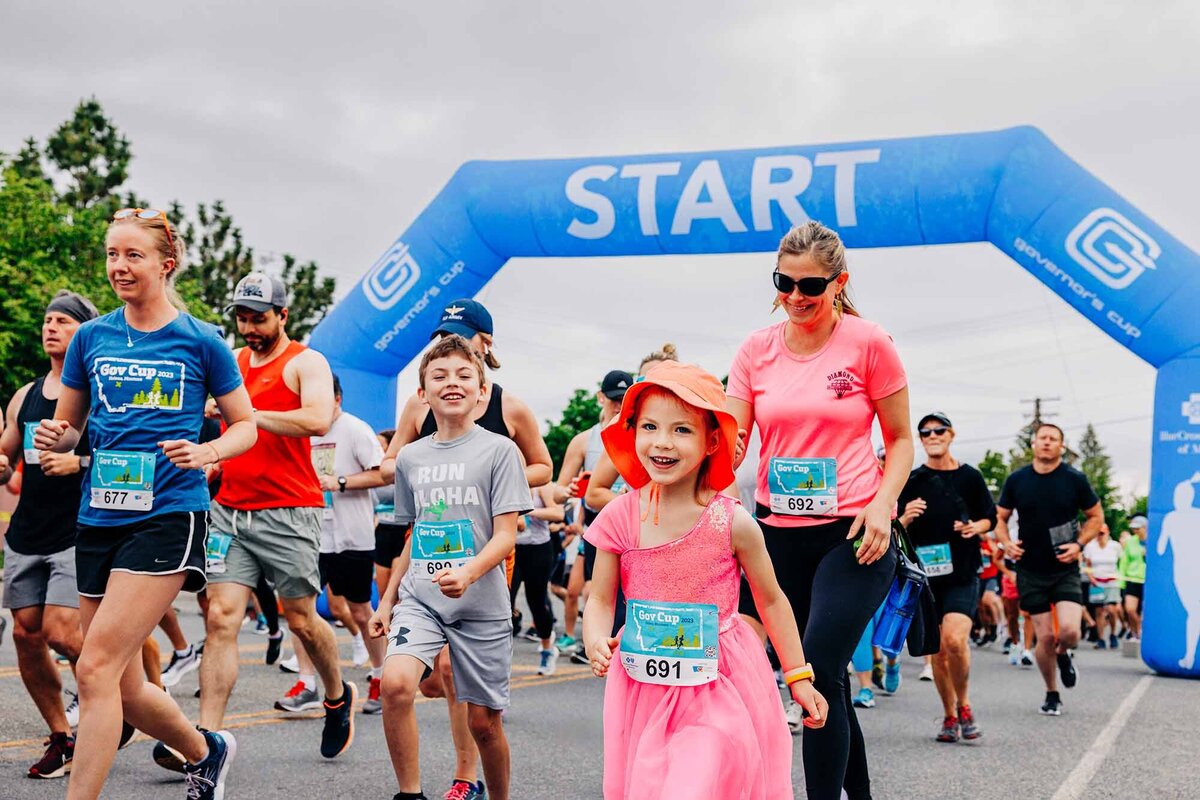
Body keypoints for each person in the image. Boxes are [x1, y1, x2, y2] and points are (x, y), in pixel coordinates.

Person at [35, 208, 257, 799]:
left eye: (133, 255)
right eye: (112, 254)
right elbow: (71, 427)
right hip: (99, 514)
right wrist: (56, 438)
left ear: (166, 263)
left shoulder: (201, 340)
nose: (119, 267)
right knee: (127, 686)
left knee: (95, 668)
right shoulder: (92, 338)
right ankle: (205, 751)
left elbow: (247, 428)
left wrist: (206, 451)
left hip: (168, 512)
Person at [725, 221, 912, 800]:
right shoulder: (755, 349)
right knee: (815, 677)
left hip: (854, 533)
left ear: (839, 282)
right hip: (775, 536)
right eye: (785, 282)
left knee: (818, 667)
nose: (797, 298)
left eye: (811, 286)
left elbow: (901, 439)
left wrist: (884, 505)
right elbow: (732, 443)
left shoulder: (868, 342)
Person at [582, 361, 828, 800]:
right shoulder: (619, 515)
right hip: (644, 683)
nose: (662, 442)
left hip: (721, 679)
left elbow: (771, 601)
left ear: (712, 439)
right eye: (650, 427)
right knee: (652, 787)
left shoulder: (733, 522)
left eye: (681, 430)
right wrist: (595, 637)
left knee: (693, 782)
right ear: (632, 432)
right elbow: (601, 597)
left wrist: (799, 677)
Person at [379, 298, 552, 800]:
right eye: (439, 373)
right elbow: (413, 532)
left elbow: (508, 528)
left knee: (484, 721)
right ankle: (410, 792)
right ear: (423, 390)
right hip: (422, 590)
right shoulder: (412, 452)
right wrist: (388, 601)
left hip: (483, 584)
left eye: (462, 373)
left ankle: (481, 785)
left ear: (481, 388)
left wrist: (472, 571)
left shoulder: (502, 440)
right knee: (397, 684)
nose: (450, 379)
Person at [194, 272, 355, 762]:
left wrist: (246, 412)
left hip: (289, 511)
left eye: (259, 318)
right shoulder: (233, 361)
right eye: (242, 318)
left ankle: (336, 694)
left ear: (283, 315)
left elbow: (317, 419)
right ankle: (206, 741)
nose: (249, 327)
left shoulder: (307, 362)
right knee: (221, 618)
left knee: (302, 620)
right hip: (231, 511)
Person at [0, 291, 97, 778]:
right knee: (25, 633)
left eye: (63, 321)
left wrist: (77, 461)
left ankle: (128, 700)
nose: (51, 327)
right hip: (26, 535)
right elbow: (7, 457)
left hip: (77, 532)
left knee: (63, 631)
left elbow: (124, 460)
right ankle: (62, 737)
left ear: (85, 332)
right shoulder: (27, 394)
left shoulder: (98, 393)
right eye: (48, 320)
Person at [280, 374, 388, 714]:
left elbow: (384, 474)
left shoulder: (355, 429)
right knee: (299, 610)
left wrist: (340, 482)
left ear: (336, 399)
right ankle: (308, 683)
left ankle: (380, 678)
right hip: (310, 534)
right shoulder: (301, 431)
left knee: (359, 609)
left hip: (353, 536)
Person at [897, 412, 996, 742]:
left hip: (963, 572)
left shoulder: (970, 477)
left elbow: (990, 518)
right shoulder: (911, 481)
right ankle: (949, 715)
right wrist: (906, 519)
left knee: (955, 640)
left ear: (951, 434)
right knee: (937, 651)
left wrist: (975, 527)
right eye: (925, 433)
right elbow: (892, 525)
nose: (932, 436)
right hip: (926, 578)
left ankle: (965, 704)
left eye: (939, 430)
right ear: (921, 440)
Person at [995, 423, 1103, 716]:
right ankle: (1052, 692)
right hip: (1030, 568)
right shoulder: (1018, 480)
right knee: (1043, 638)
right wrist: (1006, 543)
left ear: (1061, 446)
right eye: (1042, 438)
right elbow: (1000, 518)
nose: (1047, 443)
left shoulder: (1074, 479)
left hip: (1064, 565)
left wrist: (1079, 545)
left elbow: (1096, 516)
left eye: (1053, 439)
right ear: (1033, 444)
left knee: (1069, 632)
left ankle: (1064, 653)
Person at [552, 368, 634, 657]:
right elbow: (558, 491)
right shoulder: (585, 441)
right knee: (590, 590)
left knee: (628, 595)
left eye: (624, 399)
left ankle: (617, 647)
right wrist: (570, 492)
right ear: (600, 397)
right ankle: (594, 643)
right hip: (596, 524)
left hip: (638, 525)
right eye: (613, 399)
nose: (618, 405)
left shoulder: (641, 432)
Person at [511, 483, 565, 675]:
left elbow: (558, 514)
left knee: (537, 601)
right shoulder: (506, 480)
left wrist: (528, 511)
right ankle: (498, 656)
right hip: (513, 549)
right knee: (504, 601)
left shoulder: (541, 486)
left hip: (539, 549)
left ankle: (547, 648)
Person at [1158, 474, 1200, 669]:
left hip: (1182, 573)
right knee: (1195, 613)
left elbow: (1160, 548)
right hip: (1191, 571)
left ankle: (1189, 656)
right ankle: (1189, 656)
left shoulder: (1170, 517)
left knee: (1194, 613)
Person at [1083, 524, 1123, 649]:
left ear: (1107, 532)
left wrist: (1120, 576)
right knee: (1099, 611)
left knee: (1112, 609)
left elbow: (1122, 562)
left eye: (1102, 533)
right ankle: (1101, 638)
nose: (1100, 536)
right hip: (1097, 581)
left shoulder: (1115, 546)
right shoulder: (1090, 547)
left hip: (1111, 580)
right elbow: (1087, 564)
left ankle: (1112, 634)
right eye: (1098, 533)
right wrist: (1091, 578)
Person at [1119, 516, 1148, 641]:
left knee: (1146, 611)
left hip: (1148, 581)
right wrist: (1121, 581)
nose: (1135, 531)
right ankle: (1136, 632)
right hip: (1132, 578)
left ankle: (1141, 632)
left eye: (1138, 528)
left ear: (1145, 527)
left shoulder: (1153, 541)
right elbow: (1124, 561)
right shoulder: (1130, 541)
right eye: (1133, 528)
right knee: (1130, 609)